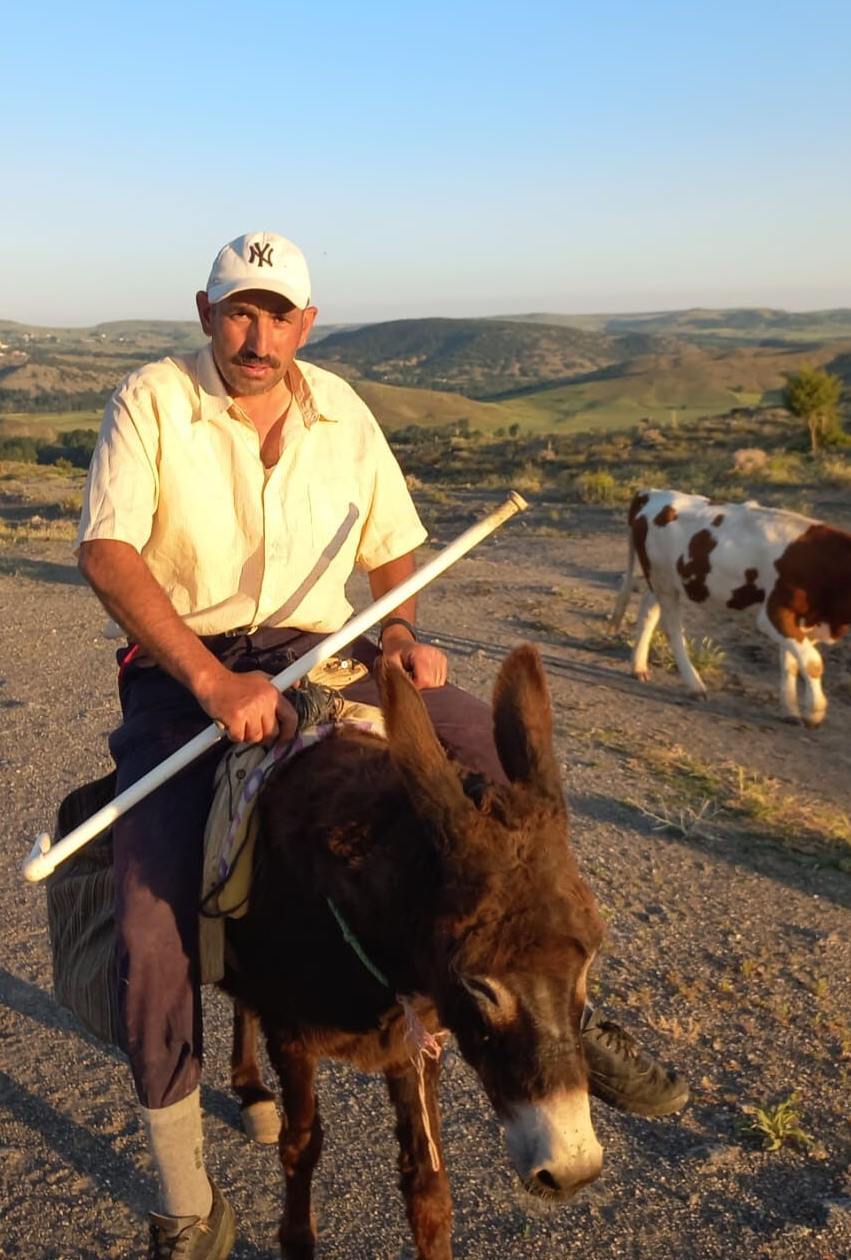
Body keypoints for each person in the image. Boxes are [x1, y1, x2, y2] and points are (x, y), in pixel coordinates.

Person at [74, 232, 686, 1260]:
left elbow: (389, 551)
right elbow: (106, 551)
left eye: (276, 314)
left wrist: (397, 633)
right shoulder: (150, 400)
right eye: (237, 310)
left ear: (305, 324)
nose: (256, 333)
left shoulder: (342, 411)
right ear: (204, 311)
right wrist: (213, 681)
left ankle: (571, 1018)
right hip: (190, 672)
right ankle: (185, 1196)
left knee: (507, 800)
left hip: (326, 655)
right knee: (151, 919)